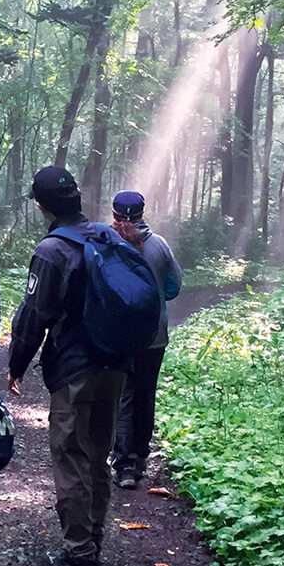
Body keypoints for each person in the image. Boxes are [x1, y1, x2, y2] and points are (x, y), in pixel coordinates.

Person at [6, 166, 127, 566]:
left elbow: (34, 315)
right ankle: (93, 541)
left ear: (41, 205)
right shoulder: (107, 237)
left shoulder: (52, 249)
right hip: (115, 365)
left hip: (75, 370)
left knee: (71, 456)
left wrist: (16, 365)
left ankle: (79, 554)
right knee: (97, 456)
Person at [106, 191, 182, 490]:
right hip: (154, 333)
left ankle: (123, 463)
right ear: (142, 212)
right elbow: (174, 287)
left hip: (117, 334)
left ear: (114, 213)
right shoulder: (159, 245)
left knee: (122, 395)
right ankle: (139, 458)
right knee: (145, 394)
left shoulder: (104, 244)